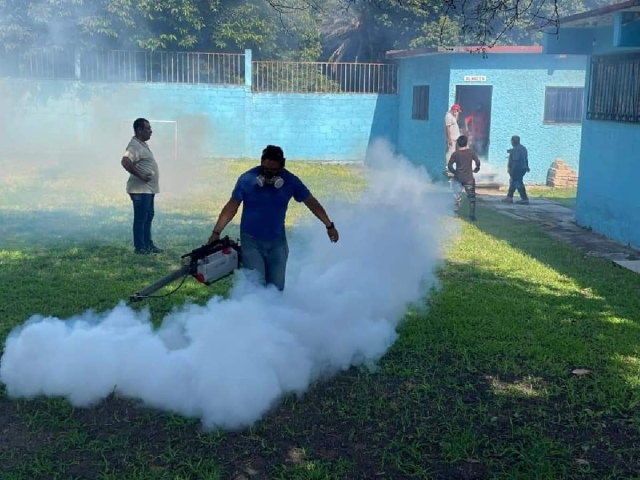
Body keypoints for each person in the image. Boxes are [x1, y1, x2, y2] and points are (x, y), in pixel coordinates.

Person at [207, 145, 339, 291]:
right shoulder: (247, 179)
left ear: (282, 166)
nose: (268, 175)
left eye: (274, 170)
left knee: (275, 290)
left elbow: (311, 202)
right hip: (251, 241)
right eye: (265, 169)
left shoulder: (291, 181)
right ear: (261, 162)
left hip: (278, 243)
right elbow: (231, 207)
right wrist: (216, 233)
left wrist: (329, 225)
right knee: (255, 287)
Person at [120, 118, 163, 254]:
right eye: (148, 129)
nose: (151, 131)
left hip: (148, 190)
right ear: (139, 130)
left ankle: (148, 244)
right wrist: (141, 176)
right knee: (141, 218)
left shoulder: (142, 144)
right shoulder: (134, 146)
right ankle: (140, 247)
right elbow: (125, 161)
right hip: (140, 190)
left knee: (148, 215)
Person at [447, 135, 481, 221]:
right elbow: (477, 161)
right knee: (472, 198)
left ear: (458, 144)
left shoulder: (455, 154)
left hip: (458, 178)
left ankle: (455, 214)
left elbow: (449, 165)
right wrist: (477, 168)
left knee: (456, 196)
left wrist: (455, 172)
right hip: (469, 178)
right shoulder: (470, 152)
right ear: (466, 143)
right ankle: (472, 215)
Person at [503, 135, 530, 204]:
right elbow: (526, 159)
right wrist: (527, 166)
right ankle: (509, 197)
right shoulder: (523, 148)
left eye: (512, 141)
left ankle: (524, 198)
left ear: (513, 141)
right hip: (522, 168)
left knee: (518, 183)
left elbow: (515, 161)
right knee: (513, 182)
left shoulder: (516, 150)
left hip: (517, 169)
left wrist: (512, 170)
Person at [444, 104, 462, 169]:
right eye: (457, 111)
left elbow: (455, 123)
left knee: (455, 153)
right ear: (454, 110)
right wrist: (449, 139)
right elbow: (447, 128)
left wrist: (456, 115)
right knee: (450, 152)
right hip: (452, 138)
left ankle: (453, 166)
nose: (457, 112)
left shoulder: (452, 116)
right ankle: (447, 166)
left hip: (456, 138)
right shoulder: (448, 116)